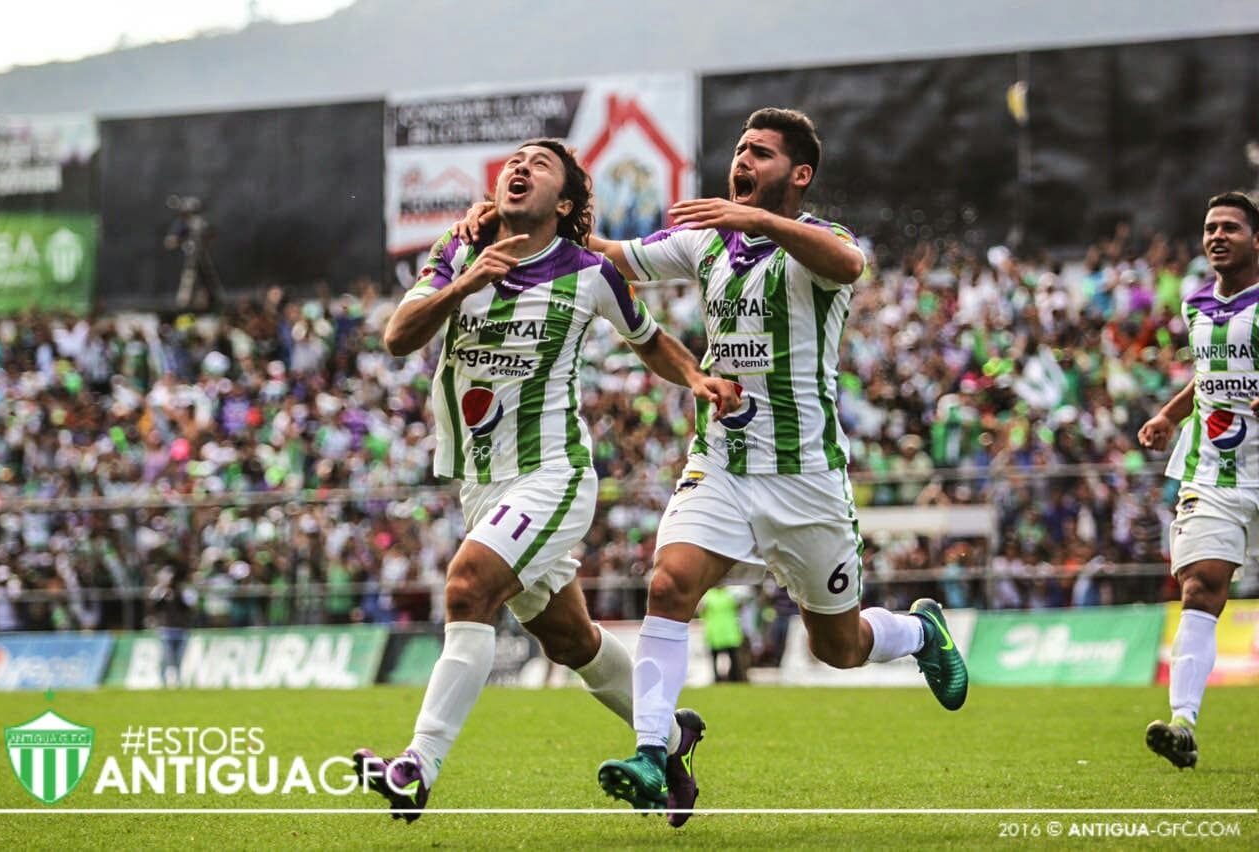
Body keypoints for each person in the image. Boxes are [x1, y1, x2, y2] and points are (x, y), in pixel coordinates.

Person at [585, 108, 969, 821]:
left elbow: (849, 265)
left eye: (760, 152)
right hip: (722, 464)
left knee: (839, 647)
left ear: (799, 175)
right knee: (668, 583)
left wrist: (756, 219)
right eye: (740, 149)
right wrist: (557, 225)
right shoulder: (706, 241)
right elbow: (616, 257)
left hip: (805, 480)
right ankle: (651, 753)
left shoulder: (821, 243)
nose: (743, 160)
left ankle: (921, 633)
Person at [352, 138, 740, 822]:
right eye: (515, 161)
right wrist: (464, 282)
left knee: (468, 586)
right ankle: (671, 736)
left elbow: (648, 338)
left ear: (563, 203)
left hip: (551, 474)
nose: (520, 167)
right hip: (481, 483)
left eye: (540, 164)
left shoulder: (589, 273)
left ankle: (418, 765)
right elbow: (398, 336)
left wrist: (696, 378)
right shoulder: (459, 247)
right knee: (570, 641)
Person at [1136, 190, 1259, 770]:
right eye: (1211, 228)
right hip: (1214, 471)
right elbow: (1209, 374)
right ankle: (1183, 722)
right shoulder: (1196, 305)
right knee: (1201, 586)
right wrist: (1169, 414)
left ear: (1256, 240)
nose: (1217, 236)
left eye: (1231, 227)